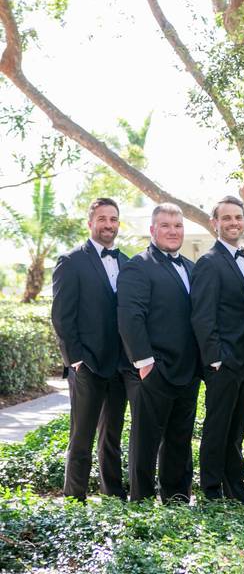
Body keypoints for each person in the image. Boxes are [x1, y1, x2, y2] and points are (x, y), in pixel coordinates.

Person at [51, 197, 137, 501]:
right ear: (90, 223)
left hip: (120, 365)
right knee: (81, 436)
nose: (108, 225)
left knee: (111, 436)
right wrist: (75, 360)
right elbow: (62, 316)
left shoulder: (127, 261)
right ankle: (74, 498)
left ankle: (113, 496)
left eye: (113, 219)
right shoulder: (71, 261)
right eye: (102, 219)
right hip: (87, 364)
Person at [118, 203, 201, 503]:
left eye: (177, 226)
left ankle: (176, 499)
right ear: (152, 230)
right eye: (165, 225)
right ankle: (140, 502)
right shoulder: (137, 266)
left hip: (188, 371)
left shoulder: (192, 268)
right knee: (146, 441)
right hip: (155, 370)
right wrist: (145, 363)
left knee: (179, 440)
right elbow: (130, 316)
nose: (172, 231)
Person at [190, 195, 244, 502]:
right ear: (215, 224)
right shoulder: (209, 263)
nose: (234, 223)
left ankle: (235, 486)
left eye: (238, 217)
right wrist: (215, 359)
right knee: (217, 427)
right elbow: (202, 315)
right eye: (227, 218)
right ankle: (211, 490)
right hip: (223, 362)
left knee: (236, 430)